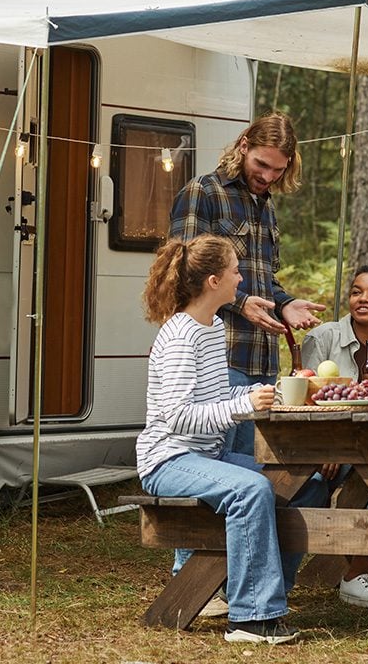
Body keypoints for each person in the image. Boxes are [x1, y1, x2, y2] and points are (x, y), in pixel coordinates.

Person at [136, 235, 325, 644]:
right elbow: (177, 417)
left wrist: (261, 394)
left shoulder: (211, 327)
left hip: (209, 455)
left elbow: (216, 399)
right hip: (168, 460)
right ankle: (252, 620)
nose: (241, 279)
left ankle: (264, 590)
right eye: (236, 272)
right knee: (252, 490)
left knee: (305, 483)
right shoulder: (182, 337)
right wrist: (241, 406)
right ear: (213, 280)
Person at [169, 112, 325, 454]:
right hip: (219, 356)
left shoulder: (266, 207)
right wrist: (241, 304)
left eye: (278, 170)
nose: (268, 176)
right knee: (221, 462)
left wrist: (284, 304)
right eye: (262, 164)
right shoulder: (204, 191)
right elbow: (183, 272)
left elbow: (264, 280)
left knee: (254, 461)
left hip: (263, 362)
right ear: (243, 146)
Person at [301, 264, 368, 610]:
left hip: (367, 449)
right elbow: (307, 401)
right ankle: (350, 571)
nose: (363, 298)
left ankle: (356, 573)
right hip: (320, 450)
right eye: (357, 291)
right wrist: (332, 445)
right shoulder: (324, 338)